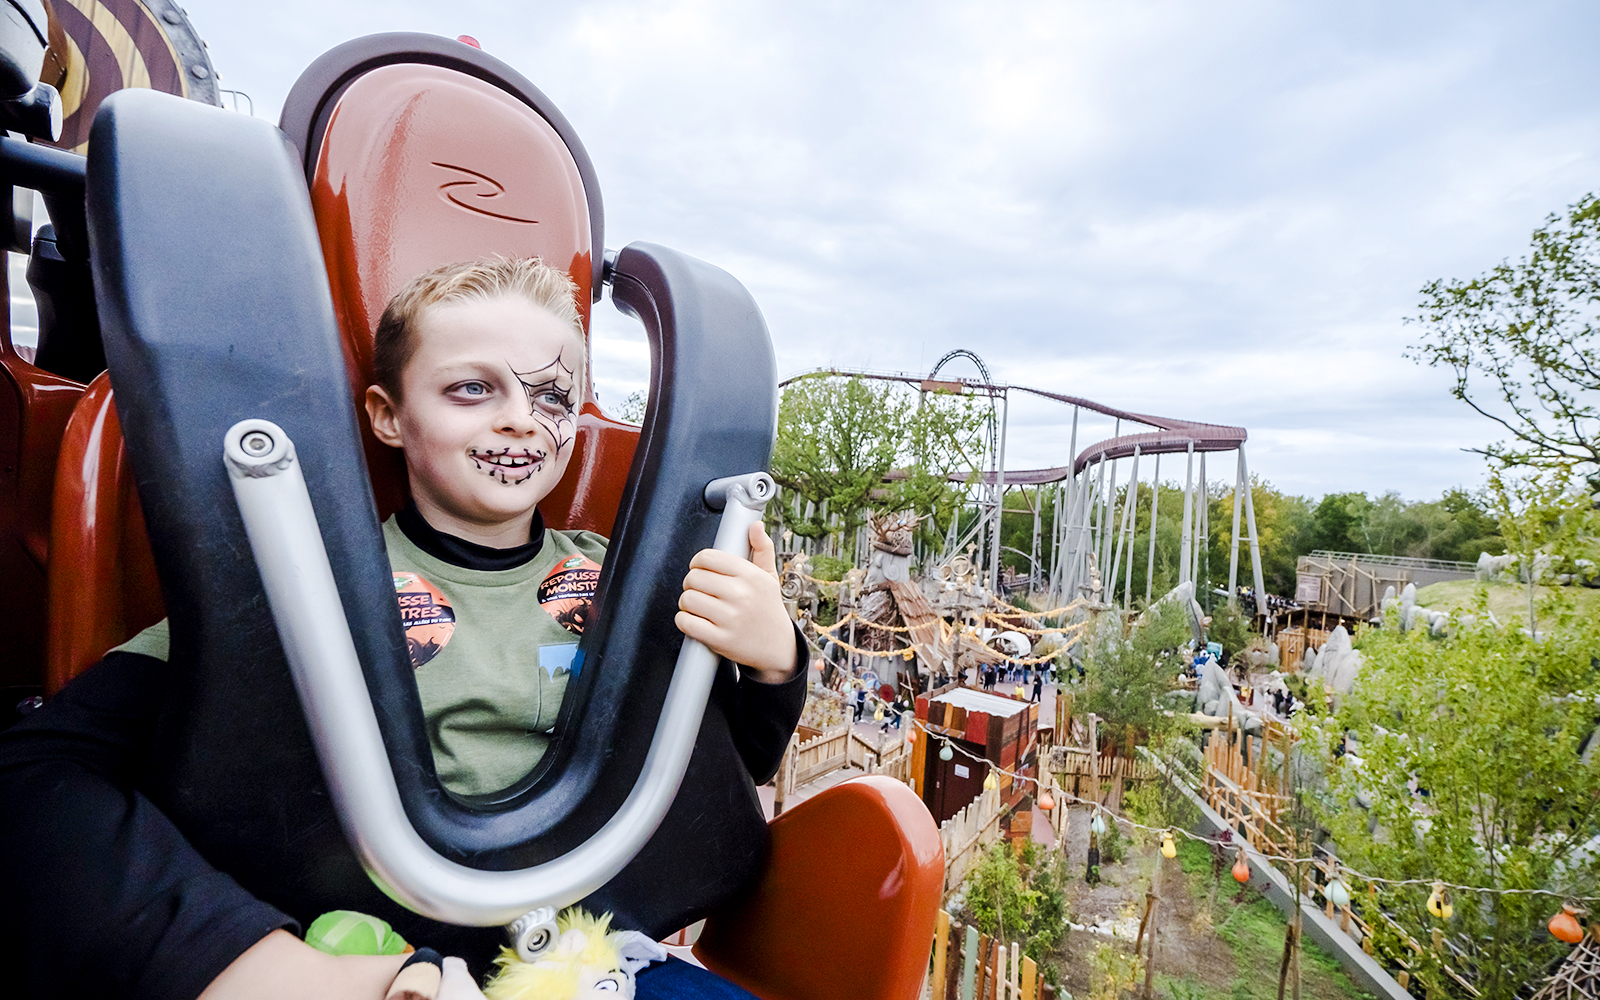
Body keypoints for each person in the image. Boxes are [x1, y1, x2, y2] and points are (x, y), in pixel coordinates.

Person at [0, 258, 804, 1000]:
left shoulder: (627, 580)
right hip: (385, 961)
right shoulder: (302, 580)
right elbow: (39, 771)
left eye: (553, 395)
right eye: (471, 389)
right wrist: (249, 960)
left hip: (597, 952)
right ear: (388, 416)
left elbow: (720, 775)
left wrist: (774, 662)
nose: (523, 419)